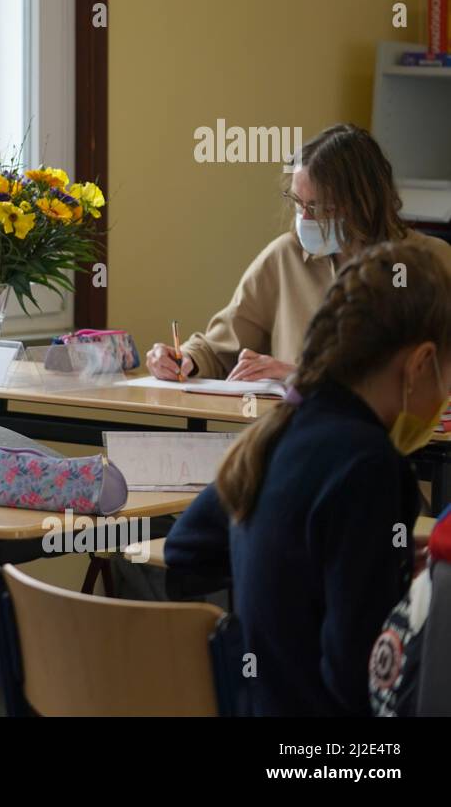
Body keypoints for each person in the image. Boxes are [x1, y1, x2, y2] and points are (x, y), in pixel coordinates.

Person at [184, 240, 451, 715]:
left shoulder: (278, 431)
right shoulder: (371, 465)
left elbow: (189, 547)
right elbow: (357, 680)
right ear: (420, 364)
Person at [146, 124, 451, 382]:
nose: (305, 218)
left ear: (362, 202)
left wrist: (301, 375)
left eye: (319, 207)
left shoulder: (429, 261)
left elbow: (422, 377)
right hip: (296, 438)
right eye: (297, 202)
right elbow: (220, 348)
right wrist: (182, 359)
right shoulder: (285, 257)